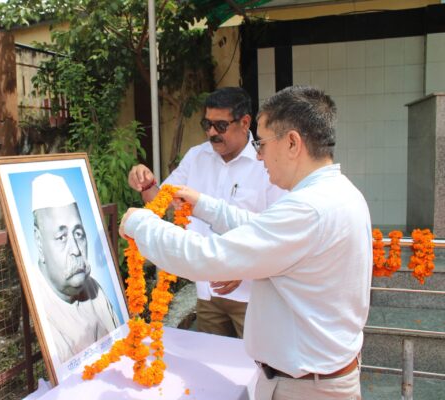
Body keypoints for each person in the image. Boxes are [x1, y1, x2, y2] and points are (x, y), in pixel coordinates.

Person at [120, 86, 371, 399]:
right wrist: (203, 205)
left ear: (292, 143)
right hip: (313, 376)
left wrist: (139, 224)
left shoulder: (307, 209)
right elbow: (260, 229)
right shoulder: (337, 193)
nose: (260, 154)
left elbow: (209, 257)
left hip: (304, 386)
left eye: (262, 143)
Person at [128, 87, 285, 339]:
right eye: (207, 124)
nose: (212, 132)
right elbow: (160, 200)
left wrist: (246, 268)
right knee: (212, 363)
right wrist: (144, 182)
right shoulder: (197, 156)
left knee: (256, 368)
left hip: (252, 293)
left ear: (245, 122)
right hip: (208, 291)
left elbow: (276, 230)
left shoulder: (264, 163)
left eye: (220, 125)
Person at [31, 173, 119, 363]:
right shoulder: (38, 300)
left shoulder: (93, 288)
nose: (76, 251)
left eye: (78, 234)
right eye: (62, 238)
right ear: (39, 242)